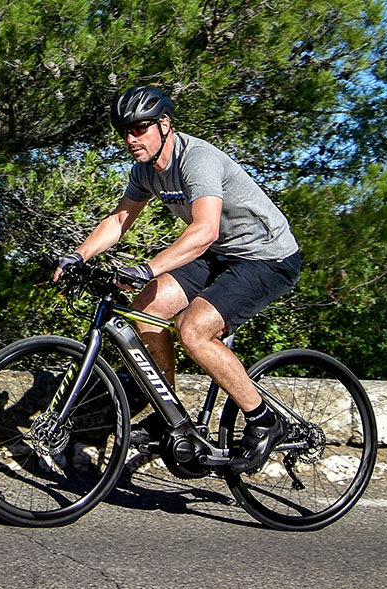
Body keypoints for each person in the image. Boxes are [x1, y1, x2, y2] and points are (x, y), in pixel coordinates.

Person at [52, 85, 302, 473]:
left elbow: (205, 230)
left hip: (267, 256)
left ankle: (265, 421)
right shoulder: (145, 170)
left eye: (140, 129)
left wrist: (149, 268)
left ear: (164, 125)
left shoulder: (196, 160)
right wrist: (79, 255)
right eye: (125, 132)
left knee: (193, 330)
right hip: (220, 255)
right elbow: (120, 219)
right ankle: (169, 413)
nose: (131, 139)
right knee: (144, 309)